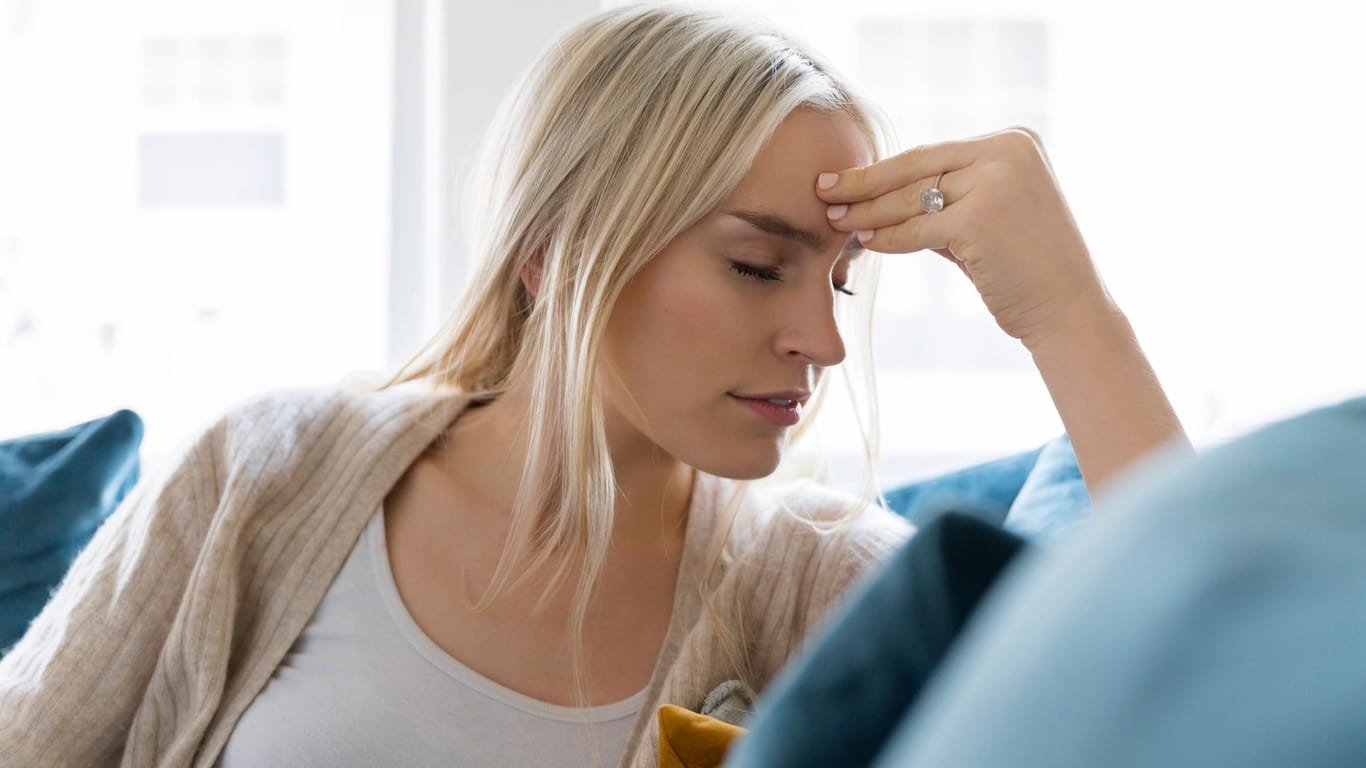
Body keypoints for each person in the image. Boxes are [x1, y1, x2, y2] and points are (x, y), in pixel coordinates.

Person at [0, 3, 1187, 767]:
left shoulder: (818, 584)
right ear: (557, 252)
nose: (820, 343)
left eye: (838, 283)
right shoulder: (271, 473)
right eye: (756, 265)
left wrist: (1069, 317)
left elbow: (1193, 699)